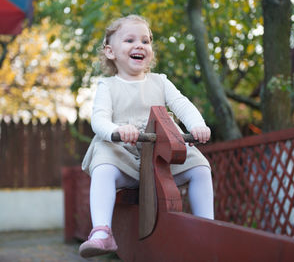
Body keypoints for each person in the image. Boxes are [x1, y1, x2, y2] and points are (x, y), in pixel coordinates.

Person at [79, 14, 214, 258]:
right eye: (130, 40)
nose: (140, 45)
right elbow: (98, 119)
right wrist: (116, 131)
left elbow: (182, 105)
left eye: (146, 40)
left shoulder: (160, 82)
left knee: (200, 168)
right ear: (111, 52)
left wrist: (197, 125)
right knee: (103, 166)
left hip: (160, 155)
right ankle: (102, 231)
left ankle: (208, 229)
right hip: (124, 154)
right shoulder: (107, 86)